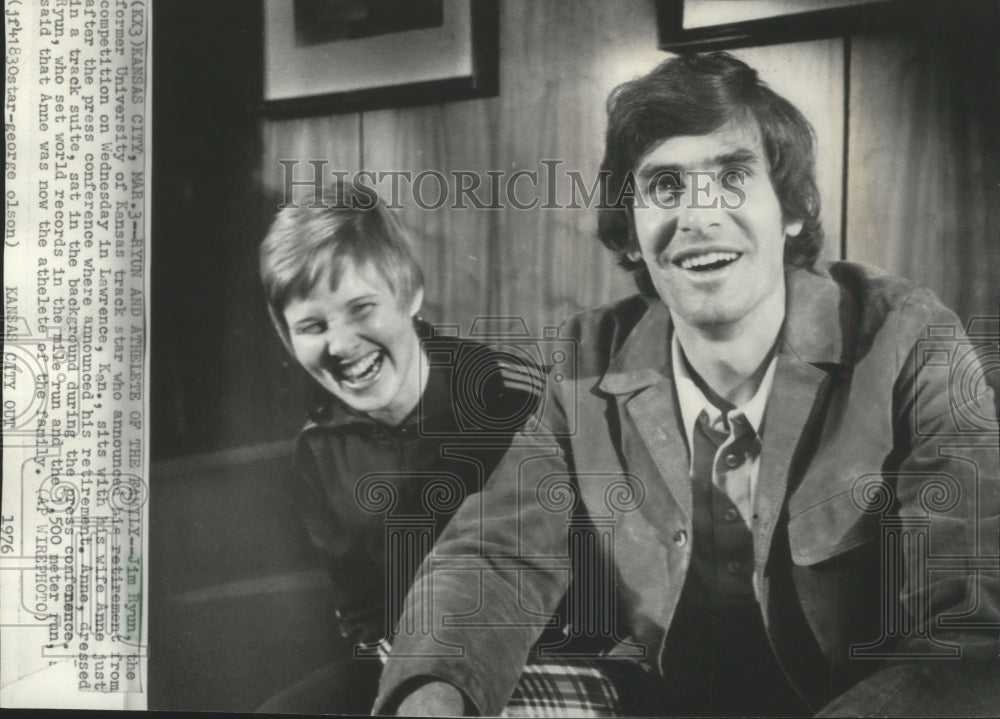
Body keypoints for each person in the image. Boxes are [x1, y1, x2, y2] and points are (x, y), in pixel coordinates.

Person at [372, 53, 1000, 716]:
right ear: (633, 231)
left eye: (732, 177)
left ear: (790, 211)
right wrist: (430, 696)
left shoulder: (907, 339)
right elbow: (494, 558)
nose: (699, 217)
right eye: (666, 187)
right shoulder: (586, 362)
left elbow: (977, 625)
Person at [256, 182, 547, 713]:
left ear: (409, 293)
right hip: (396, 662)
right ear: (286, 336)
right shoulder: (319, 449)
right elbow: (362, 614)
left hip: (533, 653)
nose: (341, 346)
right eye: (312, 326)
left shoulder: (510, 395)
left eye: (362, 308)